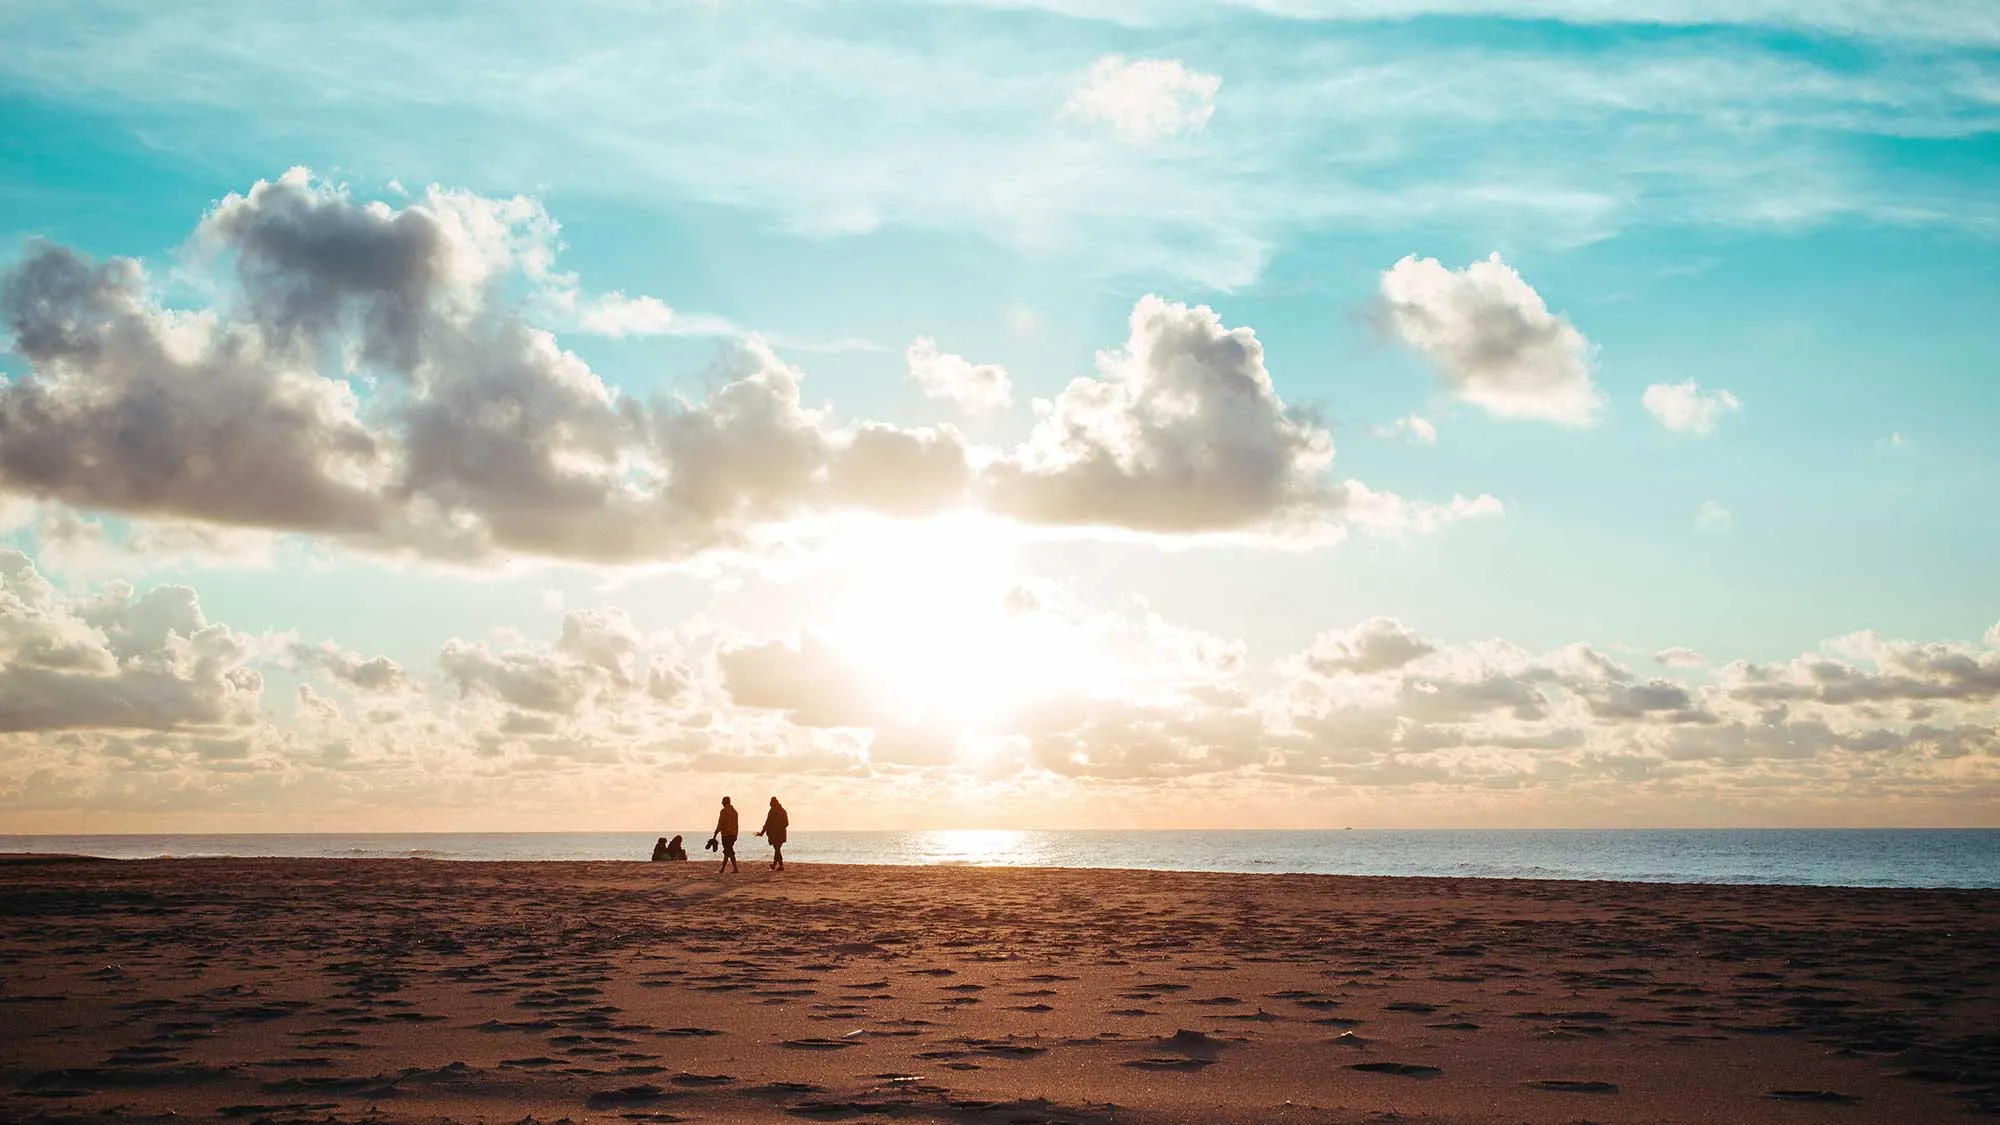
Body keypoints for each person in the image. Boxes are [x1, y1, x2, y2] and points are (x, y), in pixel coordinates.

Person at [755, 796, 789, 871]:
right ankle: (776, 865)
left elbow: (767, 823)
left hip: (775, 834)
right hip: (781, 834)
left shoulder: (772, 811)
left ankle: (779, 865)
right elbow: (786, 823)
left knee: (777, 849)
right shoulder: (783, 811)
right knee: (777, 849)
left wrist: (762, 832)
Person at [710, 796, 740, 874]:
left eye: (722, 802)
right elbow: (737, 825)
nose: (722, 804)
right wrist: (736, 834)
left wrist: (715, 834)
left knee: (729, 851)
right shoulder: (735, 812)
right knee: (727, 851)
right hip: (733, 834)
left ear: (724, 802)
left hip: (726, 834)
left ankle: (735, 868)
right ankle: (723, 869)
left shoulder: (723, 811)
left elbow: (720, 823)